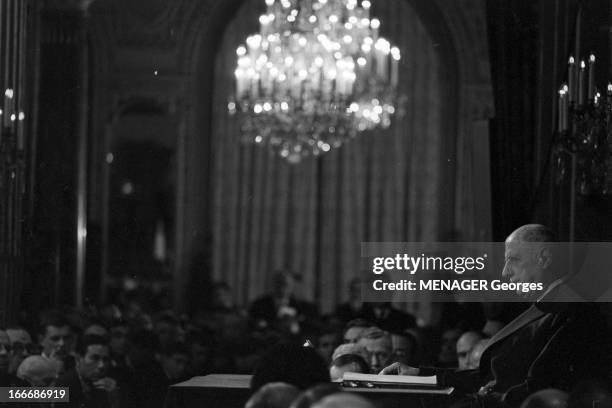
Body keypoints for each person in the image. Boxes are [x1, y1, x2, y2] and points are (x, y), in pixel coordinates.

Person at [380, 224, 612, 407]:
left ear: (544, 258)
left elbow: (539, 390)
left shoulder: (574, 312)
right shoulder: (545, 307)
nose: (505, 272)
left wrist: (475, 403)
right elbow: (491, 375)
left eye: (513, 259)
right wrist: (420, 373)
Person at [56, 335, 119, 408]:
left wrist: (114, 400)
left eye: (105, 360)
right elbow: (42, 398)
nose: (101, 365)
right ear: (78, 359)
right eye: (95, 358)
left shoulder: (107, 388)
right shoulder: (61, 385)